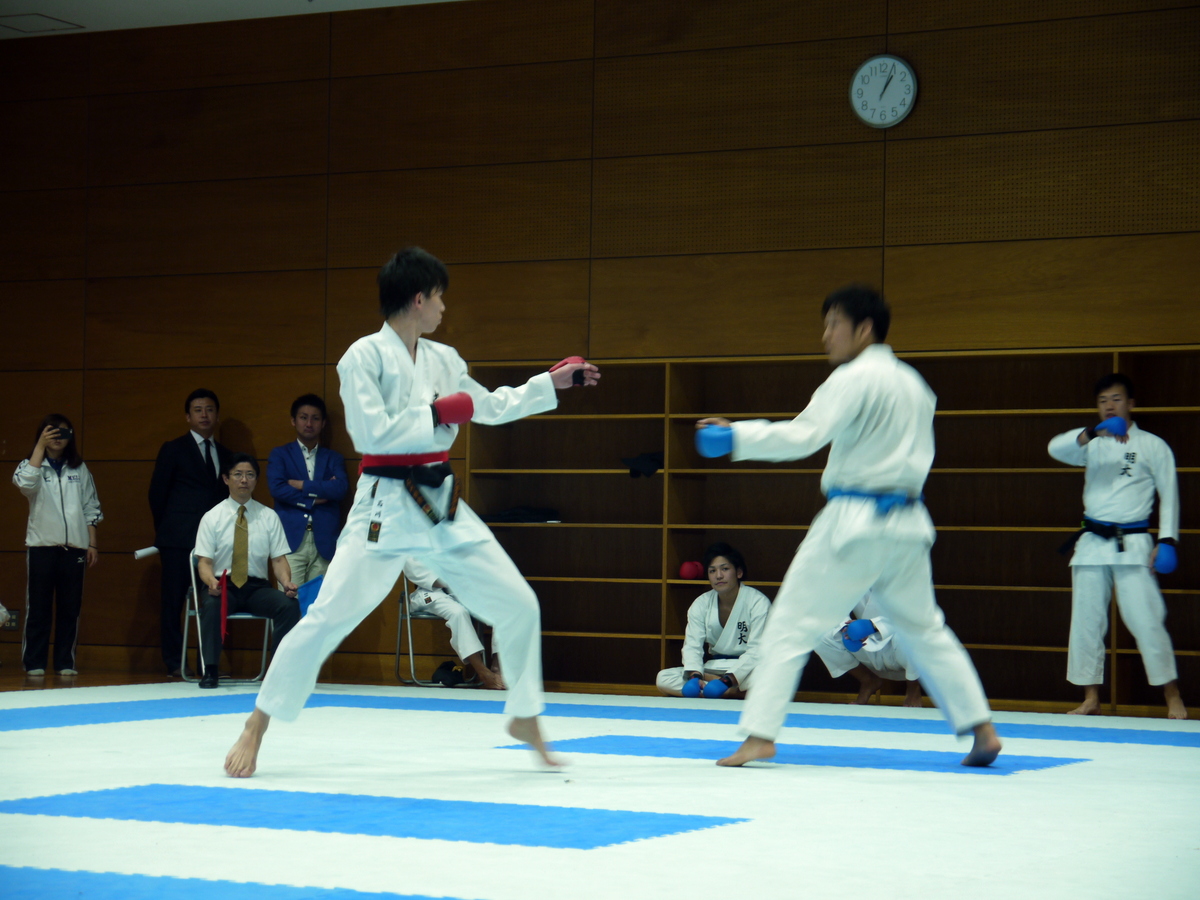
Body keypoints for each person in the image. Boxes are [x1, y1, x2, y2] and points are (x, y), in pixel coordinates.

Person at [224, 246, 599, 776]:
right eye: (440, 297)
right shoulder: (362, 357)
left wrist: (547, 384)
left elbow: (488, 406)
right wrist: (436, 412)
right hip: (384, 504)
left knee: (518, 602)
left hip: (439, 501)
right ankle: (257, 723)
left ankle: (525, 716)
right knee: (327, 617)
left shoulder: (444, 359)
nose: (444, 307)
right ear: (419, 299)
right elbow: (371, 432)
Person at [698, 285, 1001, 768]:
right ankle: (981, 727)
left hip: (854, 521)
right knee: (926, 629)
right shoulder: (915, 385)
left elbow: (803, 435)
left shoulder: (854, 377)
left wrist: (736, 436)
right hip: (908, 523)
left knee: (790, 624)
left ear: (864, 329)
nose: (825, 336)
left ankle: (759, 734)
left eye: (833, 324)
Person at [1048, 374, 1186, 719]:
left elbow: (1169, 494)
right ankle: (1090, 698)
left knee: (1147, 620)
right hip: (1092, 543)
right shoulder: (1091, 444)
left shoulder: (1153, 445)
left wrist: (1167, 539)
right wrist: (1093, 433)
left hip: (1133, 543)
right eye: (1102, 401)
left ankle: (1173, 697)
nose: (1109, 406)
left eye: (1116, 399)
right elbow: (1055, 449)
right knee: (1086, 623)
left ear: (1131, 404)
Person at [194, 454, 301, 689]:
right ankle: (210, 670)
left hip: (256, 589)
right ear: (226, 479)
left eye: (250, 475)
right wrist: (210, 581)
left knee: (289, 606)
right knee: (211, 605)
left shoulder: (269, 516)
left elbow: (279, 560)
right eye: (238, 475)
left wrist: (286, 583)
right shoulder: (212, 517)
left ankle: (277, 672)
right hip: (223, 585)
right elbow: (204, 562)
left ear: (256, 480)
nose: (244, 480)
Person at [148, 389, 231, 677]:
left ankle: (209, 664)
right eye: (198, 410)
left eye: (209, 409)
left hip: (215, 543)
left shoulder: (226, 454)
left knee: (213, 601)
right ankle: (174, 662)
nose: (204, 415)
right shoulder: (173, 449)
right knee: (173, 602)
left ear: (217, 416)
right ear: (188, 416)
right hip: (177, 540)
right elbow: (157, 495)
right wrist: (167, 532)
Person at [13, 415, 102, 676]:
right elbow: (25, 484)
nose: (57, 437)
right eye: (51, 432)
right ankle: (34, 662)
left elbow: (90, 506)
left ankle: (65, 661)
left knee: (70, 608)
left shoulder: (79, 468)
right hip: (42, 547)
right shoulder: (31, 466)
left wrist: (92, 543)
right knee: (38, 607)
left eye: (63, 432)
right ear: (42, 434)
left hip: (75, 548)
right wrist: (39, 448)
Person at [656, 543, 770, 699]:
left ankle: (718, 689)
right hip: (713, 667)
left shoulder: (758, 602)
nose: (718, 576)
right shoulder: (701, 603)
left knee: (771, 678)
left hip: (747, 669)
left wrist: (727, 680)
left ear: (739, 572)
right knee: (663, 678)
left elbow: (757, 650)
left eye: (725, 569)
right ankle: (726, 692)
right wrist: (695, 676)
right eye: (712, 571)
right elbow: (692, 646)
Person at [267, 394, 349, 585]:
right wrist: (313, 498)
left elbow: (340, 489)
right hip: (291, 541)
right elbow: (277, 489)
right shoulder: (280, 454)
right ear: (293, 421)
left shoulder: (334, 458)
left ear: (323, 423)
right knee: (290, 599)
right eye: (303, 417)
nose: (309, 423)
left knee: (320, 601)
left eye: (315, 418)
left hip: (325, 541)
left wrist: (303, 485)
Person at [403, 557, 504, 690]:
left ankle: (498, 668)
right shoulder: (410, 552)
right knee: (458, 613)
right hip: (430, 593)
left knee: (501, 609)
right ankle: (483, 672)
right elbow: (438, 581)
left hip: (461, 591)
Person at [815, 593, 924, 707]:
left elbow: (914, 616)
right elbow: (836, 603)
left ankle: (913, 689)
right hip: (866, 644)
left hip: (899, 648)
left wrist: (873, 625)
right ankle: (868, 680)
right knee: (819, 633)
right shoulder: (850, 581)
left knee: (914, 636)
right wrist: (845, 628)